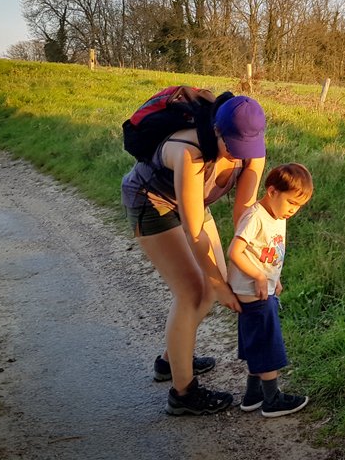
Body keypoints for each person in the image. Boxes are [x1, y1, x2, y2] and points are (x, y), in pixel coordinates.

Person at [121, 94, 267, 415]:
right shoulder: (190, 152)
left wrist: (252, 265)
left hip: (193, 204)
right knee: (193, 292)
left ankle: (172, 360)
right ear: (217, 131)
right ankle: (183, 394)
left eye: (247, 148)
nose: (240, 154)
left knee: (211, 288)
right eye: (233, 146)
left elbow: (244, 212)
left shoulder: (252, 148)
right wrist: (217, 284)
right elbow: (194, 231)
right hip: (151, 201)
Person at [226, 163, 313, 417]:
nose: (293, 210)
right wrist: (259, 276)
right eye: (291, 203)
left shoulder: (277, 215)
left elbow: (269, 254)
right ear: (272, 191)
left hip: (263, 289)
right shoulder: (256, 216)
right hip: (254, 292)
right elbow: (235, 252)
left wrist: (275, 278)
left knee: (257, 342)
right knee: (267, 344)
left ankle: (253, 395)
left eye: (299, 206)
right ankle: (272, 399)